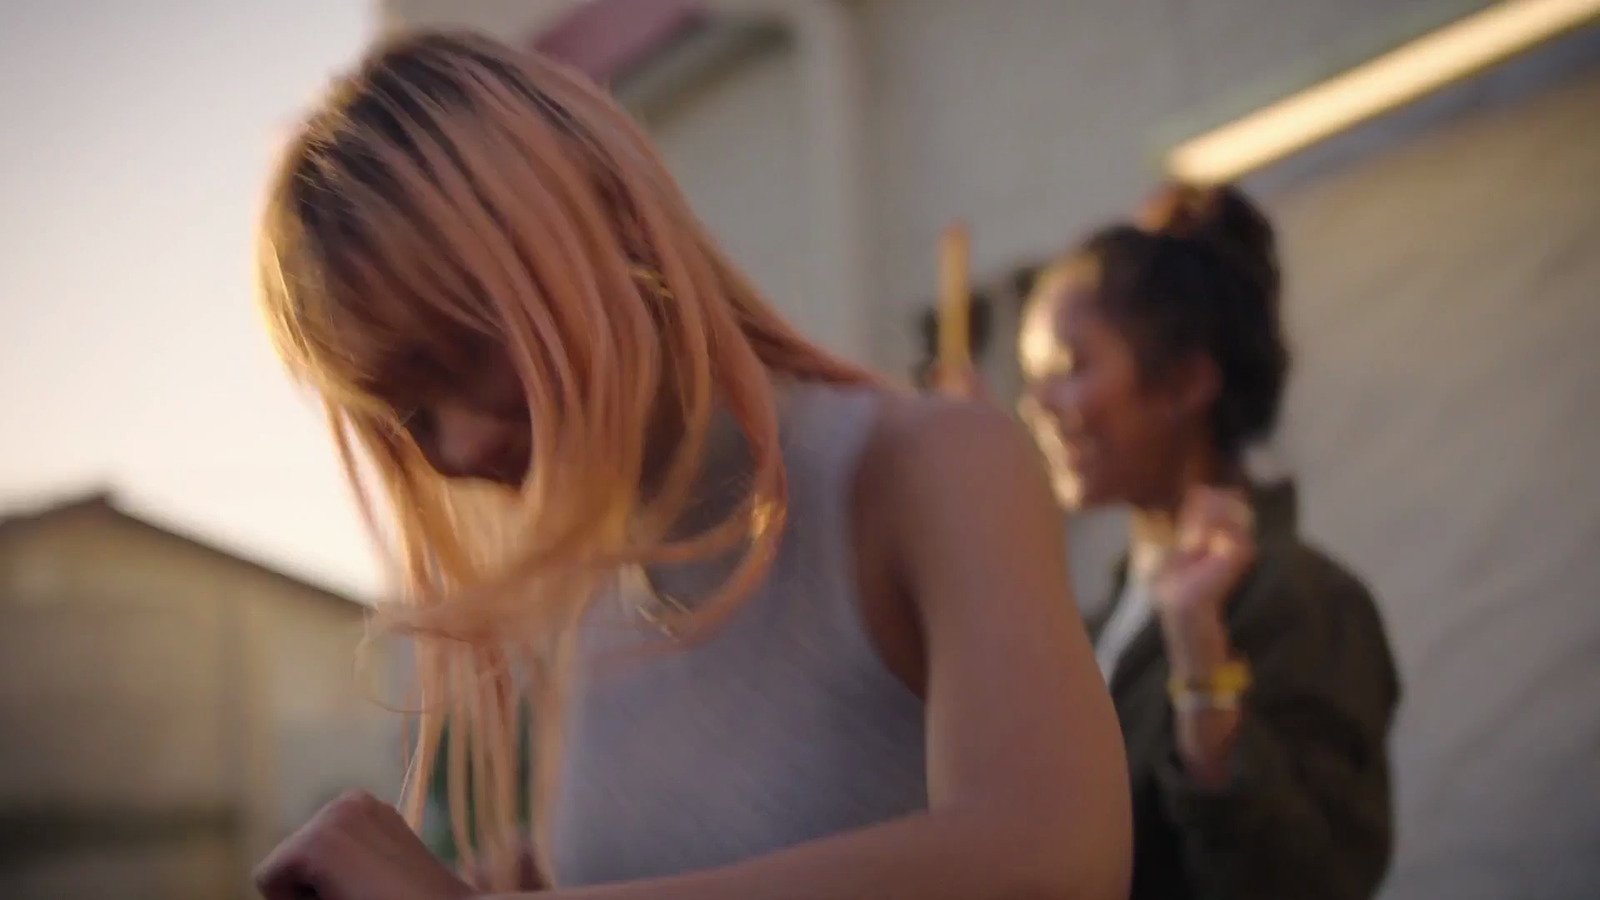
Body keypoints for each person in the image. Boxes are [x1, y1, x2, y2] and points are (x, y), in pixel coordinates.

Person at [249, 30, 1131, 900]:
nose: (463, 445)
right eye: (407, 413)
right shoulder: (588, 597)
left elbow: (1052, 858)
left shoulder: (924, 468)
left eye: (474, 344)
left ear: (618, 218)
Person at [1012, 182, 1401, 900]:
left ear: (1187, 380)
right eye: (1031, 380)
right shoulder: (1107, 617)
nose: (1036, 406)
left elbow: (1312, 884)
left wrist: (1202, 668)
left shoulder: (1306, 602)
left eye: (1068, 371)